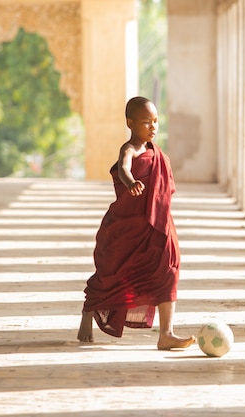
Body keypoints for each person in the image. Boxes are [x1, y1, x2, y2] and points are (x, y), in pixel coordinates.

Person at [77, 96, 195, 350]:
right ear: (130, 123)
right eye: (145, 122)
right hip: (127, 226)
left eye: (155, 121)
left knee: (168, 268)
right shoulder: (129, 149)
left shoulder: (157, 155)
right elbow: (123, 168)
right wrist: (130, 184)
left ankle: (166, 333)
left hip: (157, 224)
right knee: (113, 275)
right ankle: (88, 311)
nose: (153, 128)